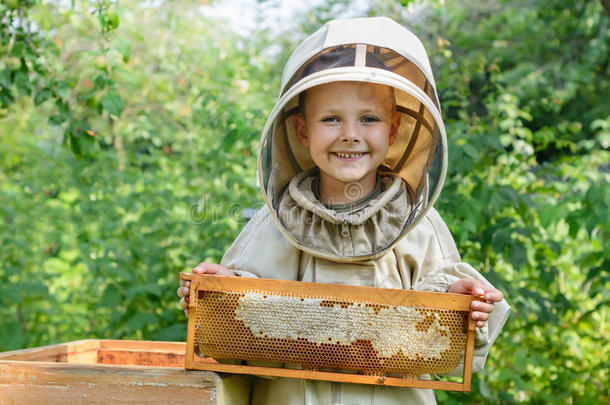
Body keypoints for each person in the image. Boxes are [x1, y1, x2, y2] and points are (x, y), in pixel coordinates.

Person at [177, 16, 510, 404]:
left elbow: (444, 347)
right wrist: (218, 293)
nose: (350, 133)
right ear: (302, 131)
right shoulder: (276, 222)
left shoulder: (416, 224)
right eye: (330, 118)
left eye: (368, 119)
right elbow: (236, 344)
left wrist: (459, 300)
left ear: (393, 128)